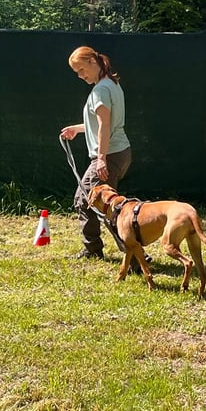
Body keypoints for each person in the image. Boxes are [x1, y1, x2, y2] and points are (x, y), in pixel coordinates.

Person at [60, 46, 132, 259]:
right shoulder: (112, 84)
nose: (81, 76)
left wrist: (100, 159)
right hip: (120, 152)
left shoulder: (100, 90)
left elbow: (105, 126)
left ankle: (127, 251)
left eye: (81, 70)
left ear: (93, 61)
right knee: (104, 205)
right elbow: (100, 123)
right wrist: (77, 128)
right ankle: (130, 251)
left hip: (109, 155)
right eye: (77, 73)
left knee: (86, 201)